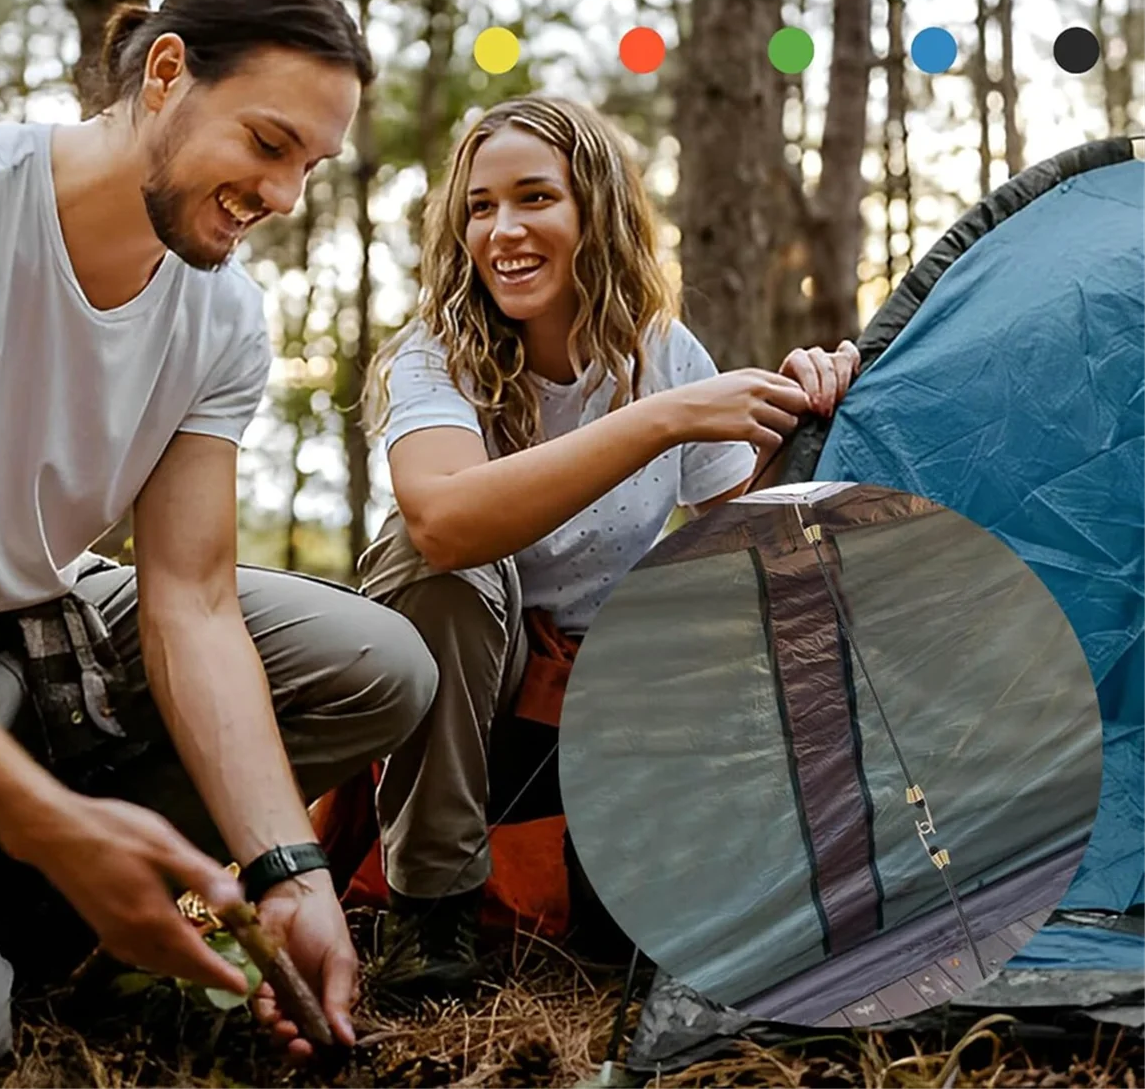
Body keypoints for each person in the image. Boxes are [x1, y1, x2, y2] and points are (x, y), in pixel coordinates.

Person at [0, 0, 438, 1066]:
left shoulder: (222, 318)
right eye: (269, 143)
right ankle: (33, 866)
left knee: (381, 663)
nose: (282, 196)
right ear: (164, 73)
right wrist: (56, 824)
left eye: (311, 166)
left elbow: (195, 603)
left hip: (36, 631)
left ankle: (41, 909)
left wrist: (290, 869)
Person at [355, 95, 860, 996]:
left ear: (595, 207)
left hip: (607, 700)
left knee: (614, 951)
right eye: (480, 206)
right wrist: (659, 423)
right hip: (465, 703)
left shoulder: (664, 353)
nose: (502, 229)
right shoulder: (432, 357)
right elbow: (444, 522)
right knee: (439, 567)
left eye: (534, 198)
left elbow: (736, 543)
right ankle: (432, 917)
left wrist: (821, 402)